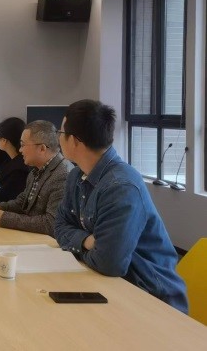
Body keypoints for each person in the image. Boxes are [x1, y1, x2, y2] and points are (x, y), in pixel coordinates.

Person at [54, 99, 188, 313]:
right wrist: (87, 241)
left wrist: (79, 244)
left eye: (61, 133)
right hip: (105, 282)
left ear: (75, 141)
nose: (58, 139)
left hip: (150, 296)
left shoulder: (121, 187)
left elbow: (109, 263)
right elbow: (59, 225)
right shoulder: (76, 176)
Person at [0, 120, 73, 236]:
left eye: (23, 145)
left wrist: (5, 218)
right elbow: (22, 202)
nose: (20, 150)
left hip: (47, 243)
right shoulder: (36, 170)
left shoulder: (63, 175)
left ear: (42, 148)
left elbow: (51, 223)